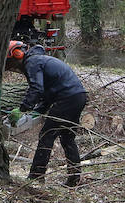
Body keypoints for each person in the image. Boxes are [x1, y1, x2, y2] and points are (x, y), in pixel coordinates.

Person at [5, 41, 88, 187]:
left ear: (17, 55)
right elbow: (49, 91)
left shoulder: (32, 62)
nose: (12, 67)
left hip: (67, 98)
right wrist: (37, 110)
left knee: (46, 135)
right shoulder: (39, 60)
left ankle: (36, 177)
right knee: (67, 137)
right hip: (77, 96)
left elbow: (37, 88)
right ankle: (74, 178)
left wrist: (23, 108)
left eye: (11, 63)